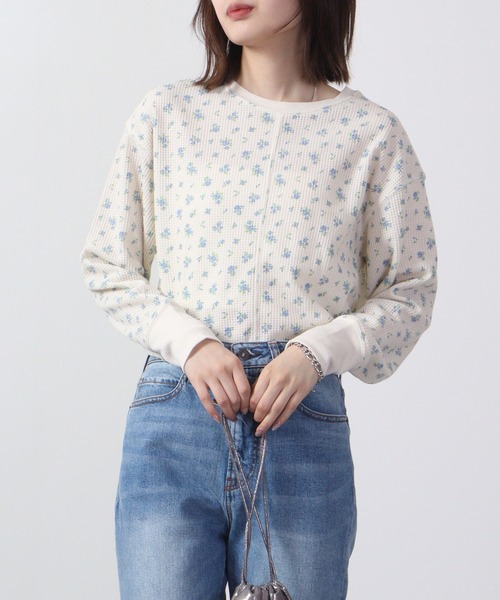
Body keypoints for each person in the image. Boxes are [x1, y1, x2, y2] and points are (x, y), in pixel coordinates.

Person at [80, 1, 438, 598]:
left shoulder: (371, 135)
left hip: (299, 427)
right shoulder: (168, 114)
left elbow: (410, 288)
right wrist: (191, 344)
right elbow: (107, 262)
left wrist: (316, 352)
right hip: (176, 420)